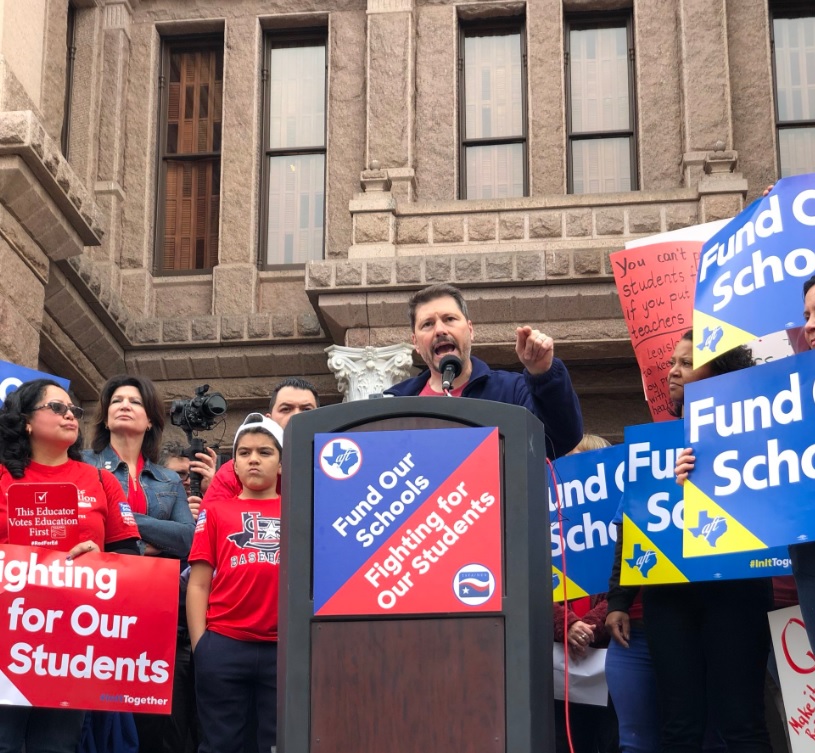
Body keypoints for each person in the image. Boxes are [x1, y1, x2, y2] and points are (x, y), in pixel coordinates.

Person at [0, 379, 140, 753]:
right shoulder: (1, 477)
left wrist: (99, 561)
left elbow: (130, 560)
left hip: (72, 644)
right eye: (57, 408)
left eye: (74, 410)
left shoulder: (100, 479)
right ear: (26, 421)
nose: (70, 416)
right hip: (7, 638)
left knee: (58, 746)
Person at [652, 332, 772, 753]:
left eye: (685, 362)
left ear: (720, 372)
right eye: (671, 363)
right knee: (680, 727)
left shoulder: (766, 426)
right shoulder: (656, 443)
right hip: (669, 593)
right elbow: (632, 528)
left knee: (741, 723)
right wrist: (617, 600)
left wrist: (716, 472)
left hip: (736, 587)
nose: (673, 372)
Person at [81, 375, 195, 753]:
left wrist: (121, 522)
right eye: (116, 400)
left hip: (154, 610)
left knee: (156, 725)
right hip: (94, 609)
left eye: (135, 401)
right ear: (105, 415)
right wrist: (142, 539)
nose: (124, 405)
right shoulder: (82, 466)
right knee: (95, 721)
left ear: (150, 421)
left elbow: (187, 538)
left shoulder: (167, 478)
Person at [384, 283, 583, 458]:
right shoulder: (395, 405)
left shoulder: (511, 391)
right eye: (427, 324)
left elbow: (561, 439)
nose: (440, 330)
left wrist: (543, 374)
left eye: (449, 319)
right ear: (415, 343)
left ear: (470, 330)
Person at [187, 413, 285, 753]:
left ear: (282, 464)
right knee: (220, 745)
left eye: (265, 452)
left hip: (282, 649)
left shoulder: (300, 510)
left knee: (278, 744)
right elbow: (198, 584)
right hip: (224, 644)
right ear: (235, 466)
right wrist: (203, 647)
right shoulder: (215, 512)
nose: (254, 458)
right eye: (244, 453)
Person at [203, 377, 319, 505]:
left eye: (307, 410)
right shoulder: (233, 472)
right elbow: (211, 519)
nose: (296, 416)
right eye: (286, 409)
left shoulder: (337, 465)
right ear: (269, 419)